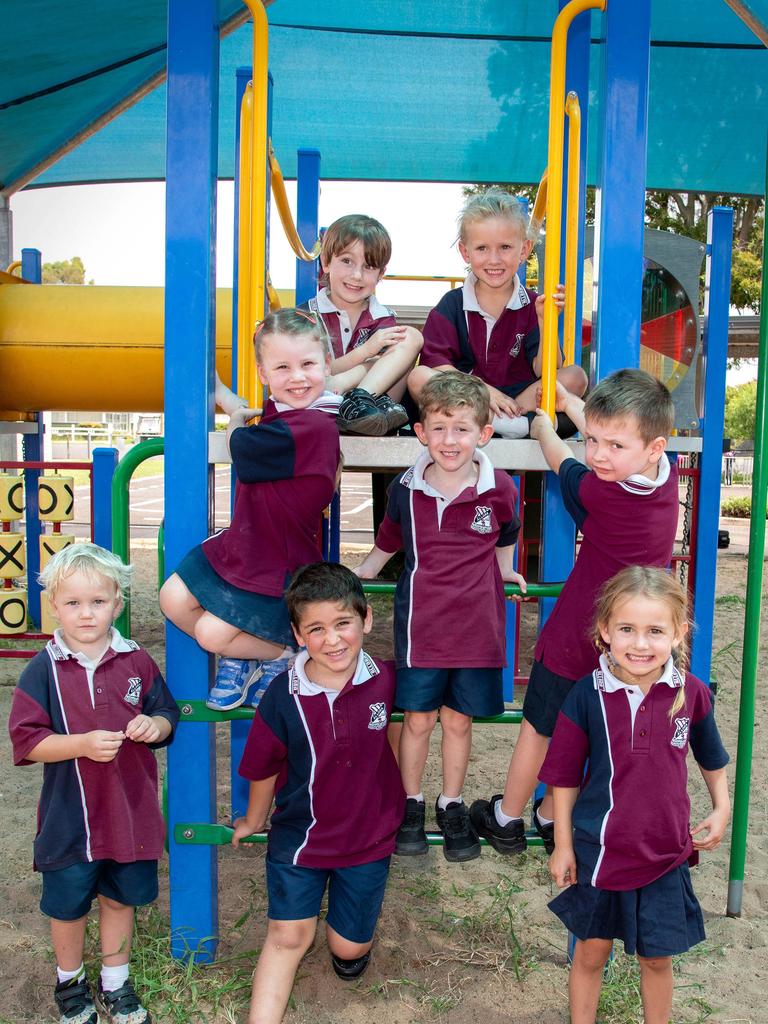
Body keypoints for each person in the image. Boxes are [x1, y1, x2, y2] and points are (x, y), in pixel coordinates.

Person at [471, 368, 680, 855]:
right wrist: (568, 402)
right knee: (596, 734)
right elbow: (612, 431)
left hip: (575, 636)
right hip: (630, 642)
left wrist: (546, 425)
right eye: (593, 441)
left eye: (613, 447)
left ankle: (506, 818)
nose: (600, 455)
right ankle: (550, 815)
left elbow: (563, 463)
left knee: (538, 729)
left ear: (653, 447)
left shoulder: (604, 492)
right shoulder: (660, 478)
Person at [541, 566, 730, 1024]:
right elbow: (563, 777)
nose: (640, 644)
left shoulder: (692, 694)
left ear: (678, 633)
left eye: (654, 631)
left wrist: (722, 807)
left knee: (657, 958)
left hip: (664, 851)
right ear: (605, 630)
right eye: (626, 629)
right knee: (591, 952)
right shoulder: (587, 696)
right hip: (600, 851)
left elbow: (710, 756)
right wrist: (564, 845)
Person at [355, 371, 526, 861]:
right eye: (440, 427)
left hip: (477, 631)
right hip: (421, 630)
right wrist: (362, 573)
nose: (450, 440)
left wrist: (507, 570)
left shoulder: (500, 490)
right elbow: (388, 540)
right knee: (418, 720)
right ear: (421, 432)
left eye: (462, 428)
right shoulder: (405, 490)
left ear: (484, 434)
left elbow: (507, 532)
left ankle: (451, 805)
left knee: (457, 721)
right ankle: (411, 802)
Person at [8, 543, 179, 1024]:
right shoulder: (43, 668)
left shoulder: (136, 660)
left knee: (120, 897)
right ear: (54, 606)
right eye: (73, 603)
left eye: (98, 602)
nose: (86, 613)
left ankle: (115, 985)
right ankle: (70, 983)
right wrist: (79, 743)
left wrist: (155, 727)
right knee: (67, 907)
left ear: (118, 604)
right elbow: (27, 741)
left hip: (129, 811)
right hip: (70, 817)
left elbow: (165, 712)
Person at [231, 562, 404, 1024]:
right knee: (288, 938)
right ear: (298, 634)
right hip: (300, 839)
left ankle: (349, 948)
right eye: (317, 629)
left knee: (349, 948)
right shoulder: (282, 698)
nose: (333, 639)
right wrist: (252, 819)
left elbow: (412, 731)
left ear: (366, 619)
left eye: (343, 623)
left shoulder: (387, 680)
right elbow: (263, 768)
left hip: (367, 838)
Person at [159, 308, 342, 712]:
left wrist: (235, 428)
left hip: (278, 564)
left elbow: (243, 447)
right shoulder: (284, 415)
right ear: (263, 373)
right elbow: (252, 415)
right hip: (246, 547)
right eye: (282, 367)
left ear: (327, 365)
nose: (297, 377)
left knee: (209, 632)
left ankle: (283, 654)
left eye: (308, 365)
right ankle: (247, 655)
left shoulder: (316, 425)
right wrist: (221, 393)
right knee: (171, 598)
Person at [408, 188, 586, 438]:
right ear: (465, 252)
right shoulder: (453, 303)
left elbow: (545, 370)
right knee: (418, 377)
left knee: (575, 376)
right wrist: (483, 390)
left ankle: (507, 422)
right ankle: (508, 424)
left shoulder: (533, 304)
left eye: (505, 247)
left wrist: (546, 323)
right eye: (482, 248)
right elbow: (436, 364)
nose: (494, 259)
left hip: (519, 399)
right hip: (468, 400)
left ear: (523, 250)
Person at [303, 213, 423, 435]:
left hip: (373, 408)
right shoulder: (306, 317)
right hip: (319, 402)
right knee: (317, 369)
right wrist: (366, 351)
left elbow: (391, 376)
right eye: (347, 261)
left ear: (381, 274)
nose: (356, 275)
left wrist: (342, 381)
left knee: (412, 336)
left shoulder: (382, 318)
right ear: (326, 262)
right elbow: (314, 375)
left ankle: (358, 402)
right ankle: (354, 404)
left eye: (368, 266)